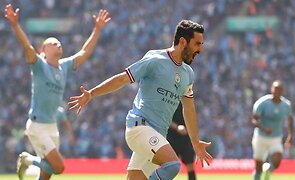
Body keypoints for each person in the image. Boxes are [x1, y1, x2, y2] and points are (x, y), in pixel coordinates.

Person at [68, 19, 213, 180]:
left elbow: (189, 109)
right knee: (172, 166)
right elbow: (123, 79)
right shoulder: (155, 59)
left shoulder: (188, 73)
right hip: (139, 128)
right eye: (197, 44)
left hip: (158, 135)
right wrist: (92, 93)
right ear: (182, 41)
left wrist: (195, 142)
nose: (200, 49)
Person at [5, 3, 111, 180]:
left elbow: (84, 53)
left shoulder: (64, 66)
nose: (58, 44)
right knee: (59, 167)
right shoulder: (39, 65)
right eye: (53, 43)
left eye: (59, 42)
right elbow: (27, 48)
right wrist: (15, 25)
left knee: (46, 176)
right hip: (37, 126)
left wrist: (97, 30)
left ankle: (31, 163)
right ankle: (27, 159)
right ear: (44, 51)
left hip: (52, 127)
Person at [251, 80, 294, 180]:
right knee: (258, 168)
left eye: (279, 90)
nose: (277, 92)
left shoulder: (286, 105)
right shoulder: (262, 103)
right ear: (271, 90)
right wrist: (264, 128)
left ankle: (268, 170)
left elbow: (290, 120)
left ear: (282, 91)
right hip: (260, 137)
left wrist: (290, 135)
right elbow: (253, 120)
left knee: (277, 161)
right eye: (275, 89)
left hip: (275, 137)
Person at [167, 102, 197, 180]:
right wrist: (176, 127)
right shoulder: (168, 100)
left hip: (185, 137)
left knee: (190, 163)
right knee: (169, 165)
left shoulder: (186, 99)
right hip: (171, 136)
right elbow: (164, 118)